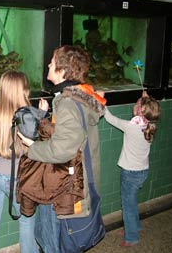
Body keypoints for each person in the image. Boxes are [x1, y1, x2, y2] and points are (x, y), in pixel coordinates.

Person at [18, 45, 106, 253]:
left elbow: (62, 150)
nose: (48, 64)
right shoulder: (80, 97)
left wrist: (31, 147)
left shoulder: (67, 102)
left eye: (52, 61)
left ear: (62, 70)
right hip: (75, 180)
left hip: (66, 186)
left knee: (54, 244)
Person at [0, 70, 42, 253]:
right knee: (27, 222)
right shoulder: (27, 115)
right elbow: (35, 143)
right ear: (23, 90)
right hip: (15, 178)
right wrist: (41, 114)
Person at [104, 91, 161, 247]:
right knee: (132, 202)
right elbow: (146, 111)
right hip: (142, 171)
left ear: (141, 112)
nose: (134, 105)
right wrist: (145, 99)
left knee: (127, 205)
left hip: (130, 174)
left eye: (137, 105)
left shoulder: (132, 127)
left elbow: (110, 118)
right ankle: (134, 227)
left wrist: (101, 102)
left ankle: (132, 237)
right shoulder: (149, 126)